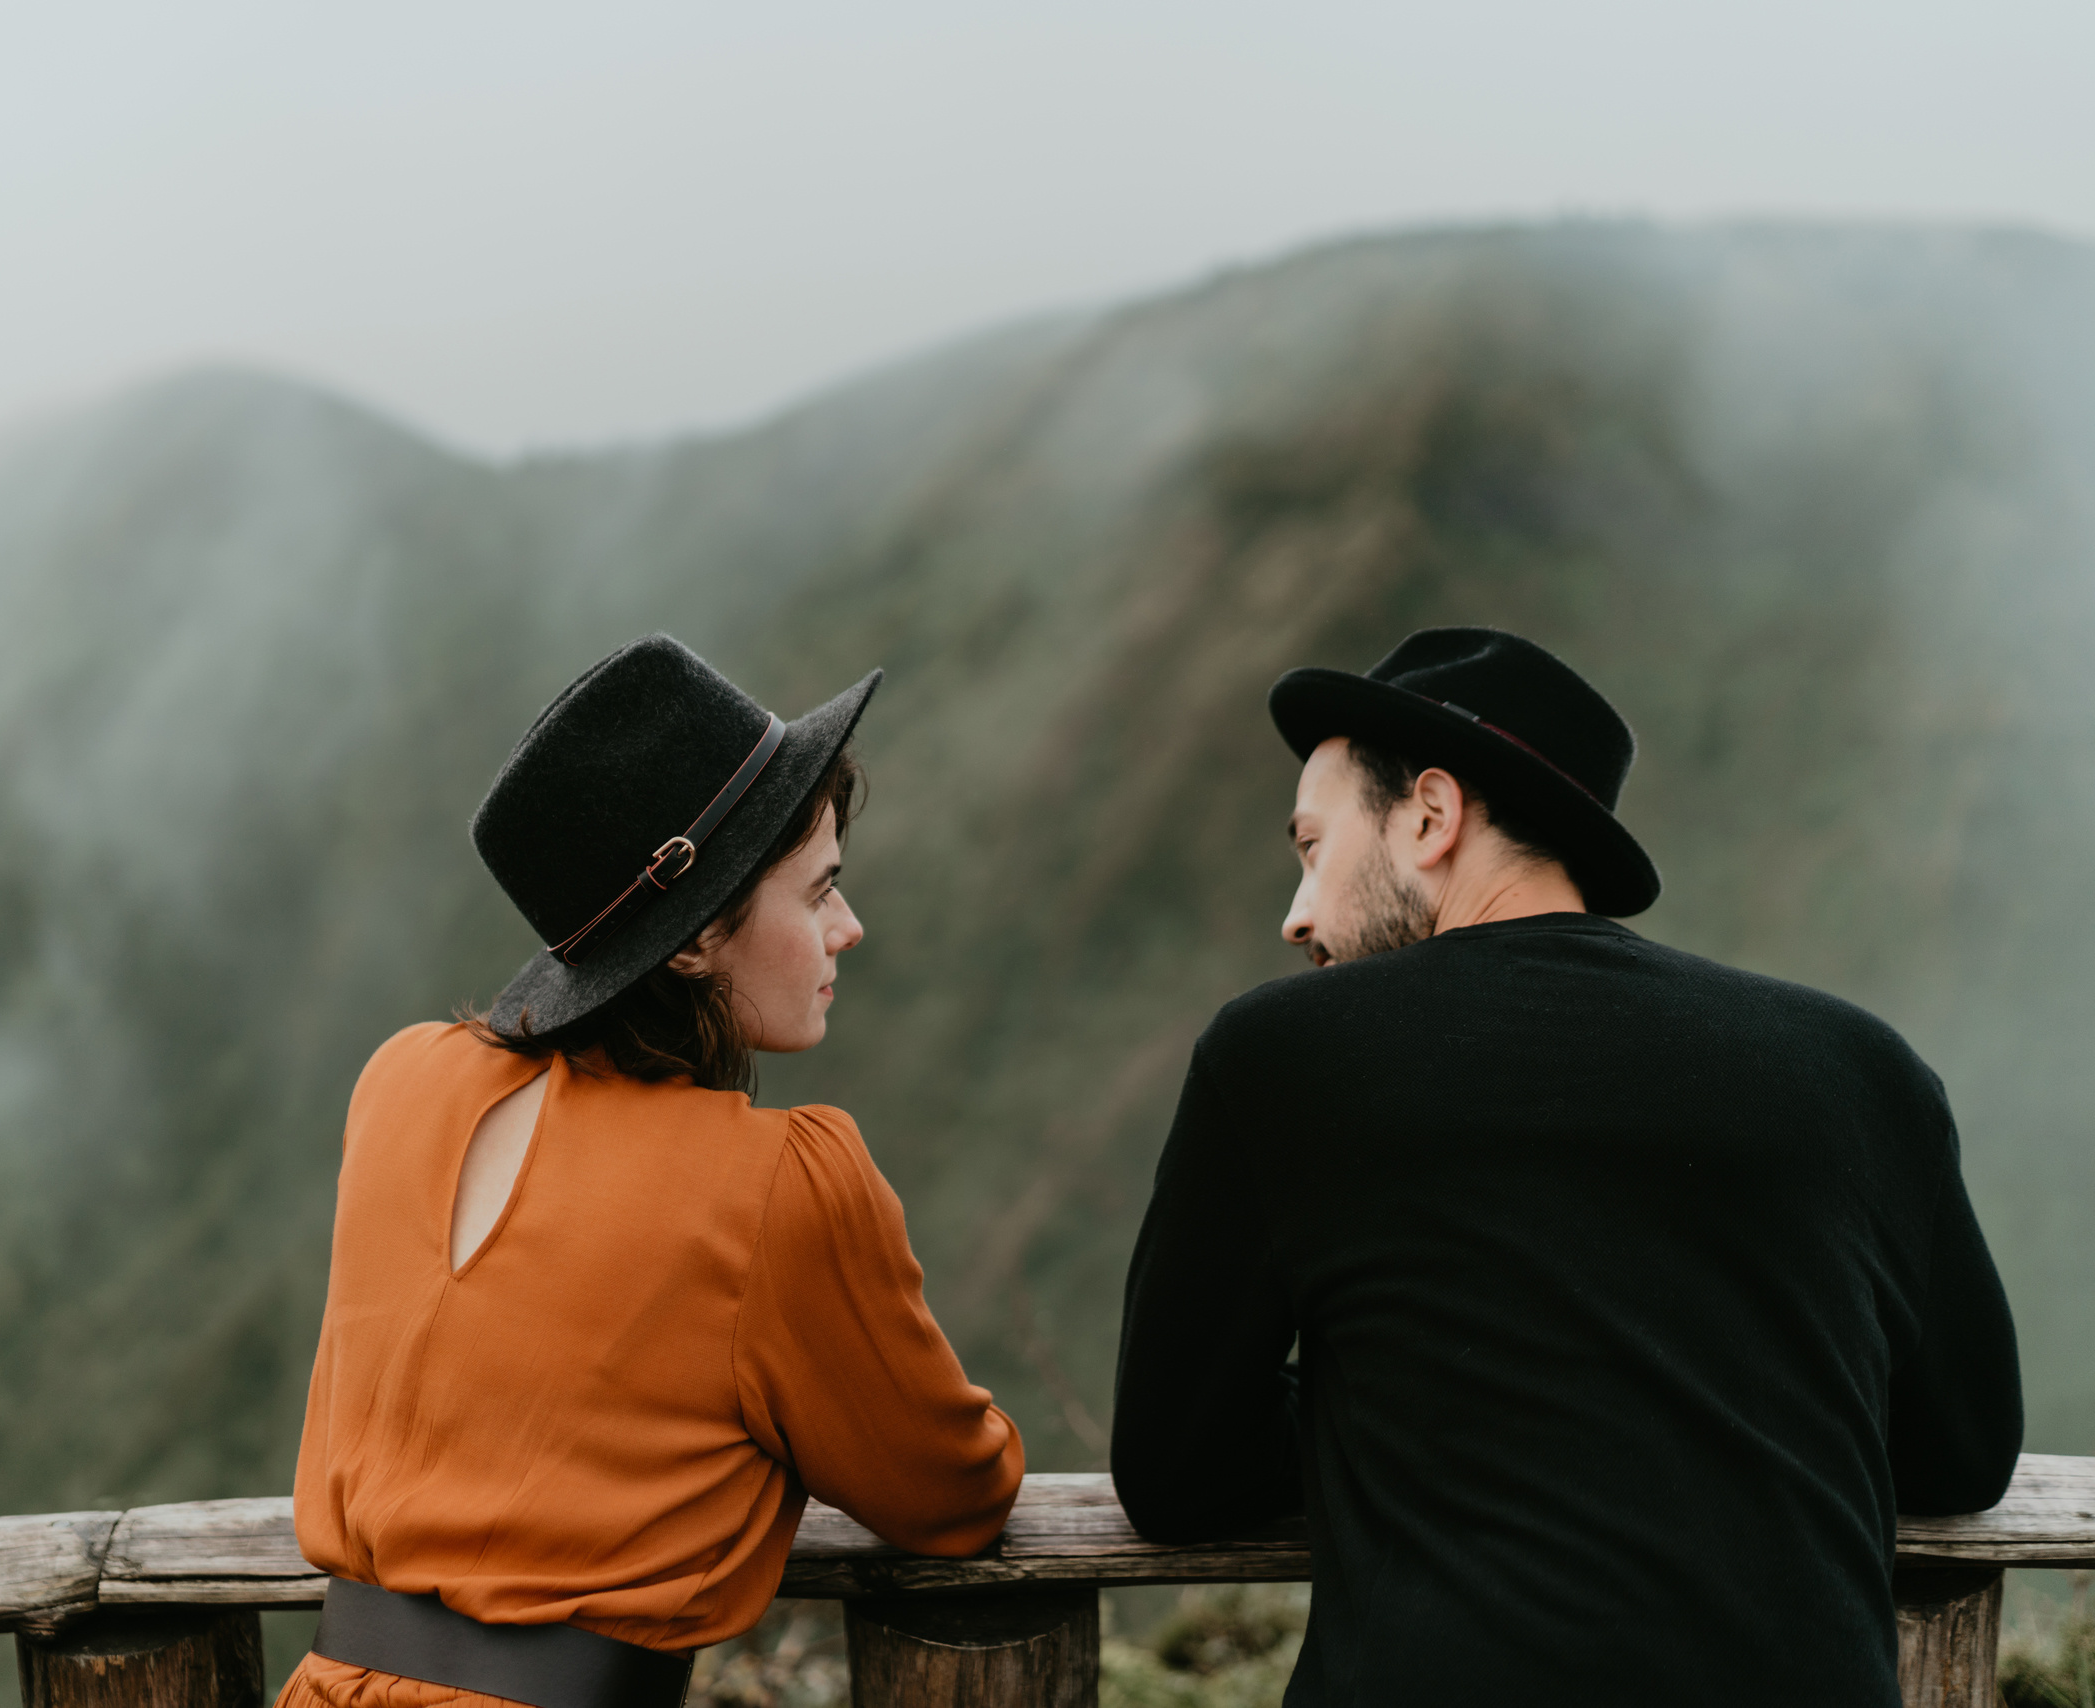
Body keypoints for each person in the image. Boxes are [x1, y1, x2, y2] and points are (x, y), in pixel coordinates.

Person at [1111, 627, 2023, 1706]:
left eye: (1313, 846)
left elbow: (1176, 1473)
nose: (1296, 913)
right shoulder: (1864, 1070)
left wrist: (1392, 1401)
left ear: (1431, 816)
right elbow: (1963, 1454)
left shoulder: (1281, 1057)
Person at [280, 635, 1022, 1708]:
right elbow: (955, 1493)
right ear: (691, 939)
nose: (848, 930)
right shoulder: (777, 1185)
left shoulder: (399, 1083)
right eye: (819, 892)